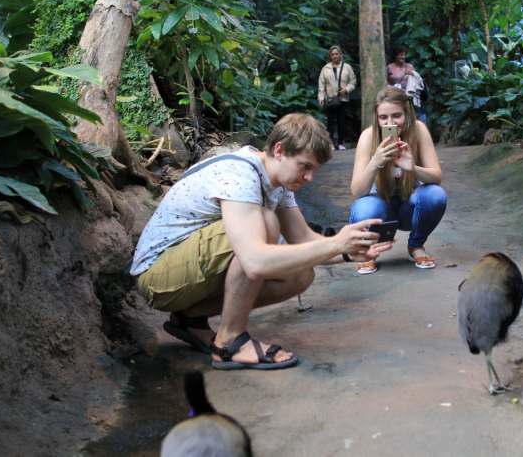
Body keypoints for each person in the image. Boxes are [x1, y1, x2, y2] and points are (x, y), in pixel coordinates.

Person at [130, 114, 393, 370]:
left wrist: (349, 251)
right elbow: (254, 261)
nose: (309, 177)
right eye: (305, 166)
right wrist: (336, 244)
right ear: (279, 150)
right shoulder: (241, 174)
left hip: (188, 272)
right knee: (265, 224)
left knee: (300, 274)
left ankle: (189, 318)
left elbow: (303, 239)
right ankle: (229, 341)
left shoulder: (277, 183)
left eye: (314, 169)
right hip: (158, 277)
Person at [349, 87, 447, 274]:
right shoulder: (369, 136)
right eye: (383, 117)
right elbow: (357, 191)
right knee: (365, 207)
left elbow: (437, 177)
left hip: (409, 209)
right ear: (376, 117)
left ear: (407, 113)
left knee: (435, 195)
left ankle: (416, 246)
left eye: (396, 116)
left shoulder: (418, 130)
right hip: (380, 211)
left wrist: (413, 168)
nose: (390, 123)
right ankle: (369, 252)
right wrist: (375, 162)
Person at [318, 46, 357, 150]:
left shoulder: (347, 67)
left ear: (340, 54)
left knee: (341, 121)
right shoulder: (326, 68)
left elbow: (353, 81)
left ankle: (340, 143)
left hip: (343, 98)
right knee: (330, 121)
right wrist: (321, 97)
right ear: (330, 56)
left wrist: (346, 89)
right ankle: (330, 144)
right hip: (330, 98)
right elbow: (322, 84)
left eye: (336, 54)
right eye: (332, 54)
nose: (335, 56)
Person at [387, 45, 427, 123]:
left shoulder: (410, 66)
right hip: (395, 97)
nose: (403, 57)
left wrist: (412, 73)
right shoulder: (389, 67)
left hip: (410, 97)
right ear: (395, 56)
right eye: (401, 55)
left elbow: (418, 80)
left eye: (404, 55)